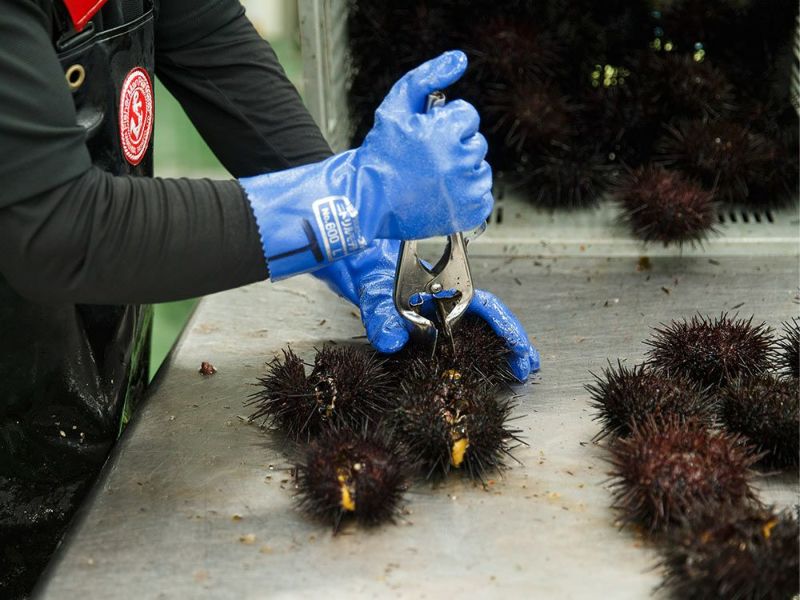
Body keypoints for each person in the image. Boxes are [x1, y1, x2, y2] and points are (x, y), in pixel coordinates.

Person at [0, 0, 539, 596]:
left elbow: (213, 45)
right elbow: (57, 227)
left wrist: (366, 253)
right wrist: (349, 199)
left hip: (78, 386)